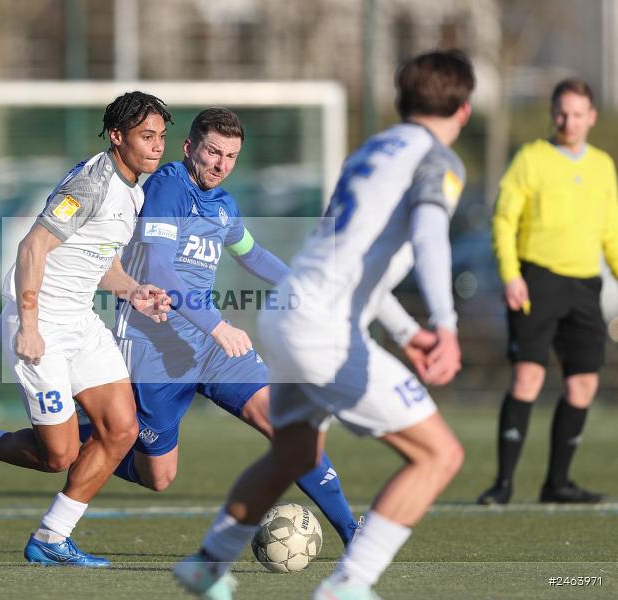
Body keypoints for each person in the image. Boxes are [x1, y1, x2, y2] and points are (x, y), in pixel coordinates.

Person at [173, 49, 474, 600]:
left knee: (294, 453)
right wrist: (446, 323)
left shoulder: (371, 152)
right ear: (465, 110)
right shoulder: (438, 159)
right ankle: (348, 585)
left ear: (401, 101)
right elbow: (431, 237)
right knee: (439, 454)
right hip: (324, 329)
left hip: (285, 313)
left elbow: (355, 257)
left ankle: (208, 564)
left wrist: (408, 333)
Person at [0, 91, 173, 567]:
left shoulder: (134, 188)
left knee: (121, 429)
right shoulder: (91, 184)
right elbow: (32, 247)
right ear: (117, 137)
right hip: (39, 324)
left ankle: (52, 537)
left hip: (81, 320)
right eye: (147, 136)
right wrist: (30, 326)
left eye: (161, 136)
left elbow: (97, 259)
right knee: (57, 455)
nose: (157, 146)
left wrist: (131, 290)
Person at [95, 107, 360, 545]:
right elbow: (159, 268)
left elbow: (250, 253)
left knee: (288, 425)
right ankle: (84, 439)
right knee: (157, 476)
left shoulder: (224, 204)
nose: (220, 165)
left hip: (214, 350)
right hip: (155, 348)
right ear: (189, 147)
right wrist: (218, 325)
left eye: (231, 156)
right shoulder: (168, 188)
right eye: (213, 152)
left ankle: (353, 532)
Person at [477, 79, 616, 506]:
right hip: (536, 281)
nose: (568, 121)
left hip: (584, 286)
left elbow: (611, 232)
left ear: (591, 117)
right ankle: (502, 484)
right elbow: (503, 219)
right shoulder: (531, 159)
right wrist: (511, 274)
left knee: (583, 386)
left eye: (577, 114)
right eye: (561, 112)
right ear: (552, 113)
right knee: (528, 377)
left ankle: (557, 483)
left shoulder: (602, 165)